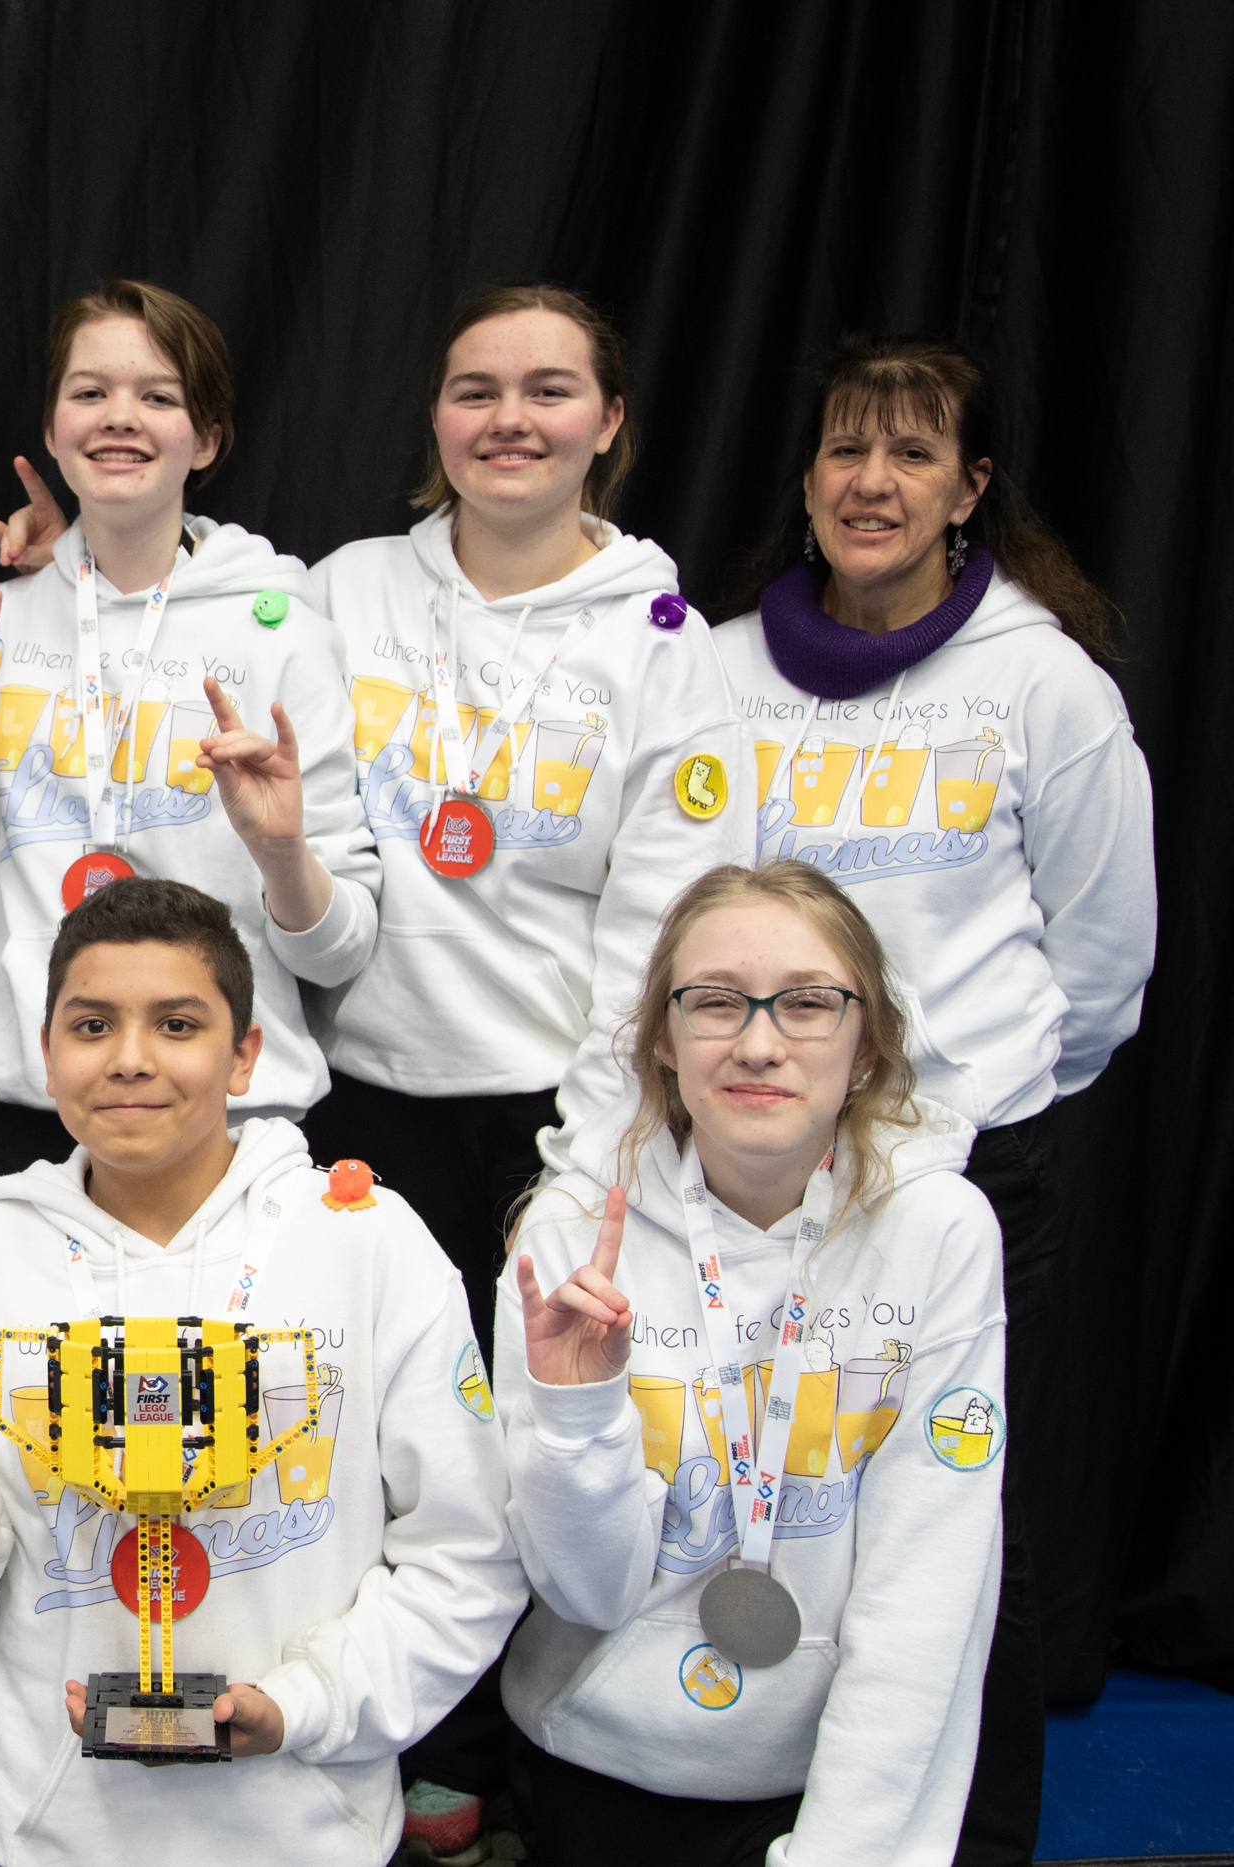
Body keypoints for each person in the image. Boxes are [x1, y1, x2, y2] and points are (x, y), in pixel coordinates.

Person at [708, 335, 1152, 1866]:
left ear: (971, 486)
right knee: (762, 1494)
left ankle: (982, 1839)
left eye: (909, 454)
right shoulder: (720, 663)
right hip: (750, 1165)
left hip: (965, 1178)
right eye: (845, 449)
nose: (870, 481)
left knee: (969, 1538)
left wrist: (972, 1102)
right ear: (810, 478)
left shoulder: (1041, 680)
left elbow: (1104, 957)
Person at [0, 879, 523, 1864]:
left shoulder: (365, 1239)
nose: (129, 1058)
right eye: (90, 1024)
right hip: (42, 1829)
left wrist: (305, 1702)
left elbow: (467, 1550)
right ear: (44, 1052)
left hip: (304, 1830)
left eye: (176, 1022)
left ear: (245, 1052)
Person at [500, 860, 1005, 1866]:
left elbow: (928, 1593)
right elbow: (586, 1593)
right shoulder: (569, 1236)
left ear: (866, 1049)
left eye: (809, 1004)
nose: (760, 1042)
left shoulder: (939, 1230)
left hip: (825, 1773)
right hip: (591, 1756)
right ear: (661, 1038)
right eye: (717, 1002)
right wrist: (577, 1412)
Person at [0, 281, 377, 1186]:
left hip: (230, 1115)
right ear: (54, 429)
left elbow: (341, 950)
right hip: (26, 1093)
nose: (120, 418)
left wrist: (283, 852)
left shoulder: (285, 635)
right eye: (89, 392)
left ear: (205, 440)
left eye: (159, 396)